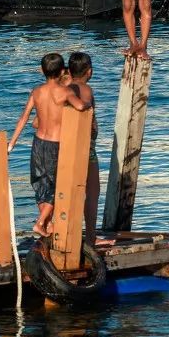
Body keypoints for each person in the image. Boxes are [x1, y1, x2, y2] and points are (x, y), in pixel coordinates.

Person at [8, 52, 91, 238]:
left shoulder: (36, 91)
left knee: (40, 184)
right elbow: (79, 106)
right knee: (57, 185)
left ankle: (48, 223)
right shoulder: (66, 92)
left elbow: (23, 118)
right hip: (56, 144)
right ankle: (40, 222)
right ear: (63, 71)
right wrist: (87, 103)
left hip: (38, 142)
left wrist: (11, 143)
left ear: (41, 70)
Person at [67, 51, 100, 246]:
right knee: (92, 191)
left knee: (69, 190)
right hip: (86, 147)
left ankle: (69, 233)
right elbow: (92, 123)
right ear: (89, 71)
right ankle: (90, 236)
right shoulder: (87, 90)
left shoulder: (65, 89)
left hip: (65, 146)